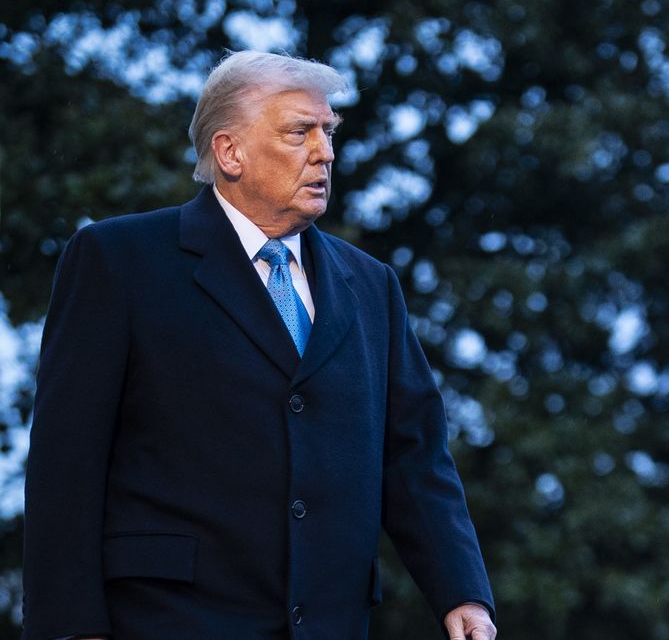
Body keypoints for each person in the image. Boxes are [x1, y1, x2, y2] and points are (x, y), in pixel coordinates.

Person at [22, 50, 498, 640]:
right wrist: (69, 628)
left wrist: (463, 594)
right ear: (230, 152)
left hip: (331, 623)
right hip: (165, 620)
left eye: (328, 132)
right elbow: (66, 462)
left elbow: (415, 456)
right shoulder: (119, 260)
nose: (324, 152)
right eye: (300, 132)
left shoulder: (372, 285)